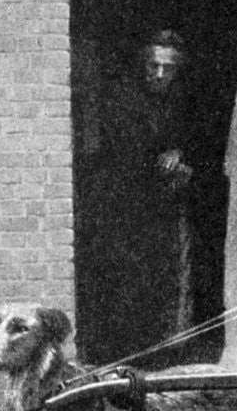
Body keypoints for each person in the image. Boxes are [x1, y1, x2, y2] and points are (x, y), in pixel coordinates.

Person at [86, 29, 227, 366]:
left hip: (169, 206)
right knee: (131, 282)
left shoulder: (183, 101)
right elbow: (121, 153)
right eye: (154, 66)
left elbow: (199, 143)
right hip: (127, 206)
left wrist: (180, 153)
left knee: (174, 279)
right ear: (142, 65)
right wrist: (159, 164)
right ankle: (127, 355)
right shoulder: (121, 99)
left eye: (168, 68)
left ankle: (169, 350)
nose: (160, 74)